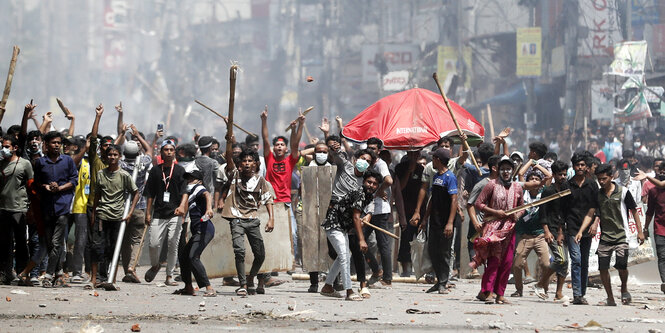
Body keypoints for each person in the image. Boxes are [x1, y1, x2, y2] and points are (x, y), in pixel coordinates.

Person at [575, 163, 644, 305]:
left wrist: (640, 232)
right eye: (599, 179)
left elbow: (634, 211)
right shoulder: (598, 195)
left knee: (621, 265)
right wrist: (581, 231)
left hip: (621, 236)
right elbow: (591, 213)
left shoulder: (623, 192)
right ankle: (610, 298)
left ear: (611, 177)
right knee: (603, 268)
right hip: (605, 237)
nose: (601, 182)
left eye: (604, 179)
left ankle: (624, 288)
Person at [319, 147, 374, 301]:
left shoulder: (364, 183)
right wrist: (335, 149)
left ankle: (328, 286)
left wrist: (368, 214)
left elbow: (366, 204)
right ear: (356, 159)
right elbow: (336, 157)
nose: (364, 163)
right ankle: (349, 290)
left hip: (346, 222)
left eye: (368, 161)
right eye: (363, 159)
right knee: (344, 255)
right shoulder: (346, 166)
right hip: (334, 217)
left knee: (345, 255)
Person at [260, 106, 304, 286]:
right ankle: (268, 271)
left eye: (281, 145)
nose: (279, 147)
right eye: (276, 144)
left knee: (292, 234)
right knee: (268, 237)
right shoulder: (268, 158)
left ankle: (287, 263)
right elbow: (264, 139)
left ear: (285, 149)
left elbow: (295, 143)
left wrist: (298, 126)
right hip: (270, 204)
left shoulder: (290, 160)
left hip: (285, 204)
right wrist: (264, 120)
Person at [471, 156, 524, 304]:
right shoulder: (492, 185)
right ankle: (487, 292)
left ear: (512, 171)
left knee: (507, 262)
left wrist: (516, 215)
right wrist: (495, 212)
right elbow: (478, 203)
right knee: (494, 261)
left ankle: (500, 293)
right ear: (498, 170)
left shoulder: (518, 187)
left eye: (508, 169)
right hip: (493, 227)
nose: (506, 172)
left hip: (510, 228)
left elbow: (523, 207)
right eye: (503, 169)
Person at [222, 148, 274, 296]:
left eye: (250, 161)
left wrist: (271, 219)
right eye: (244, 161)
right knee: (239, 251)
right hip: (236, 218)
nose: (246, 163)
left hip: (252, 219)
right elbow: (229, 160)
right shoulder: (234, 175)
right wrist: (229, 141)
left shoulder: (260, 180)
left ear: (255, 164)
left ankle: (252, 277)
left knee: (260, 254)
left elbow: (267, 199)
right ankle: (243, 284)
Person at [32, 130, 79, 287]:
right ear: (46, 145)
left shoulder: (67, 161)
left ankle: (49, 274)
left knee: (57, 241)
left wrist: (60, 188)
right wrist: (46, 186)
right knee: (50, 243)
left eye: (59, 143)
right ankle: (58, 272)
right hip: (46, 207)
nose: (57, 145)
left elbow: (73, 181)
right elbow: (37, 182)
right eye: (53, 142)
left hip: (63, 205)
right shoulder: (40, 163)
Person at [89, 144, 140, 287]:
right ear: (106, 156)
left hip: (117, 217)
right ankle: (96, 278)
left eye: (115, 155)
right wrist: (94, 213)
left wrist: (129, 213)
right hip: (102, 215)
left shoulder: (124, 175)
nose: (112, 157)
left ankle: (112, 278)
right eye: (110, 155)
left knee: (113, 249)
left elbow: (136, 193)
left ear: (120, 157)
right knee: (97, 247)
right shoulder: (101, 174)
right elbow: (97, 195)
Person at [143, 139, 188, 286]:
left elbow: (185, 193)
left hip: (175, 213)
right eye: (166, 150)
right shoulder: (156, 171)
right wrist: (148, 213)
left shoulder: (180, 171)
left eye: (171, 150)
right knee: (153, 243)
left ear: (175, 152)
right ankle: (155, 265)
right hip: (159, 213)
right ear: (161, 152)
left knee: (172, 244)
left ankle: (169, 275)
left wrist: (182, 208)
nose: (168, 152)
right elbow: (150, 194)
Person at [562, 151, 599, 305]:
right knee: (575, 260)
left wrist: (596, 223)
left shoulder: (592, 185)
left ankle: (581, 293)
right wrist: (560, 230)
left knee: (584, 261)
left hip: (587, 228)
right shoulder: (567, 185)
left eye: (582, 165)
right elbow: (561, 209)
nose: (580, 167)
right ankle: (577, 293)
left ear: (586, 167)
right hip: (571, 227)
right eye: (577, 165)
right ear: (574, 166)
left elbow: (597, 206)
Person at [419, 148, 458, 294]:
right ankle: (437, 281)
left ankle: (443, 282)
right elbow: (432, 200)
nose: (432, 161)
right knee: (433, 251)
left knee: (444, 252)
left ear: (438, 159)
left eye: (433, 158)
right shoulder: (435, 177)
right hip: (434, 221)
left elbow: (454, 200)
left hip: (445, 221)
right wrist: (425, 219)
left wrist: (450, 222)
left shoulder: (450, 177)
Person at [173, 169, 216, 297]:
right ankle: (188, 287)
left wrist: (209, 208)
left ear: (199, 181)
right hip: (197, 230)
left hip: (205, 229)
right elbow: (185, 198)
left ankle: (209, 288)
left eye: (191, 179)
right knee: (184, 257)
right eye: (188, 179)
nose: (189, 181)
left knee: (193, 257)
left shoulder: (198, 188)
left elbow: (207, 195)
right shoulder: (190, 193)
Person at [510, 169, 551, 298]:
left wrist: (536, 163)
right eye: (531, 178)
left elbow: (549, 176)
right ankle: (519, 290)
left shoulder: (544, 193)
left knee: (546, 264)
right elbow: (521, 174)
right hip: (525, 236)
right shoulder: (522, 193)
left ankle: (544, 288)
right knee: (517, 265)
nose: (534, 180)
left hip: (540, 236)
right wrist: (530, 163)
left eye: (537, 179)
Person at [0, 134, 34, 285]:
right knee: (4, 243)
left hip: (19, 208)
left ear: (15, 148)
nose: (4, 149)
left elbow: (31, 185)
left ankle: (23, 274)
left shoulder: (24, 164)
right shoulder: (1, 164)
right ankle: (5, 273)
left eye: (7, 146)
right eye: (2, 146)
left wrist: (31, 208)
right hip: (3, 208)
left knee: (21, 243)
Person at [119, 136, 153, 283]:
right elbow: (149, 151)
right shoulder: (143, 163)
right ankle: (132, 267)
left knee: (125, 241)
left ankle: (127, 269)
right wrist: (137, 135)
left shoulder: (119, 164)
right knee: (137, 240)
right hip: (139, 207)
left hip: (122, 207)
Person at [534, 160, 570, 300]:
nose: (563, 177)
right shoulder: (548, 191)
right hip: (552, 230)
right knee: (560, 259)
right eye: (560, 174)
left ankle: (558, 293)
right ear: (554, 175)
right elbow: (542, 213)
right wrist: (546, 231)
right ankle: (541, 283)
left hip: (564, 230)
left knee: (565, 263)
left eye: (564, 174)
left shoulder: (567, 190)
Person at [395, 151, 425, 277]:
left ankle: (420, 268)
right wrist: (409, 171)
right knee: (406, 238)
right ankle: (405, 268)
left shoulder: (422, 169)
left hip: (419, 209)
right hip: (405, 209)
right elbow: (399, 188)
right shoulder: (400, 167)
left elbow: (423, 189)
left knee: (421, 239)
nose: (414, 157)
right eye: (411, 154)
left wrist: (418, 211)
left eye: (416, 154)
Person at [644, 162, 665, 295]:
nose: (662, 174)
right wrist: (645, 228)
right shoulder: (653, 191)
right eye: (661, 171)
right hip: (660, 229)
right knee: (662, 257)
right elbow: (650, 211)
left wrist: (645, 175)